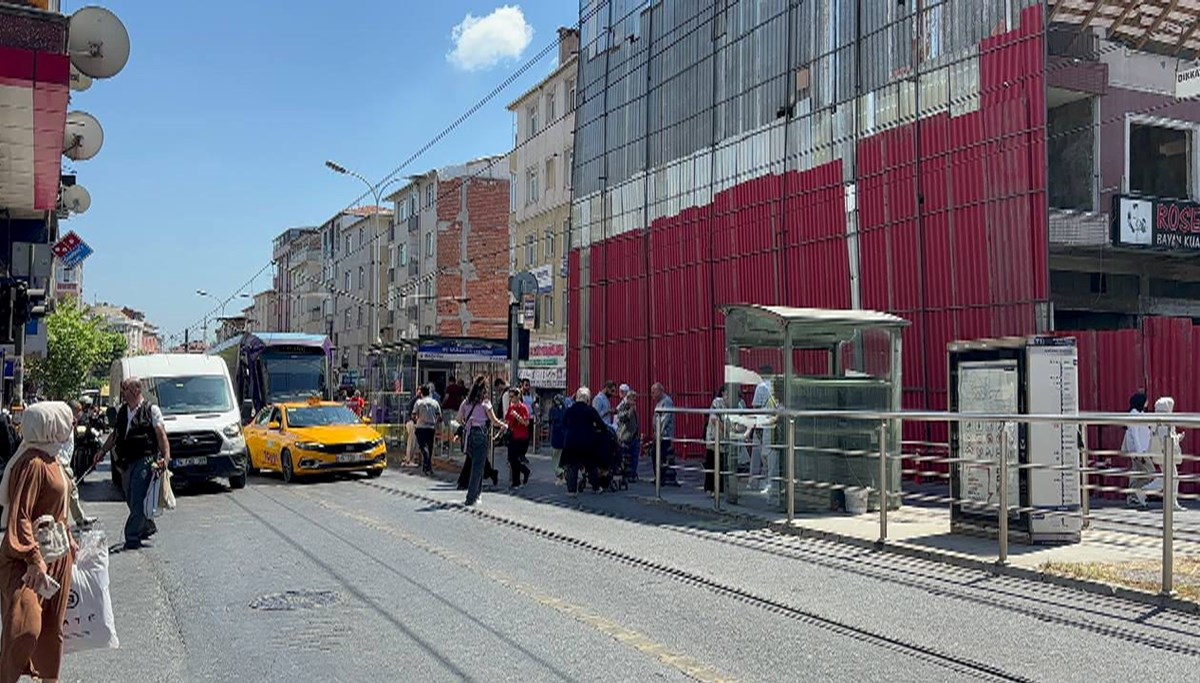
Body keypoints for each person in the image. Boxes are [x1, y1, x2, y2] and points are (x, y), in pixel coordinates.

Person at [0, 401, 76, 683]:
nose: (69, 427)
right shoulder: (33, 462)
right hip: (29, 562)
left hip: (57, 555)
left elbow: (59, 508)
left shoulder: (52, 457)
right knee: (24, 629)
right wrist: (34, 559)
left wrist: (69, 537)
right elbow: (20, 515)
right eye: (64, 421)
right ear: (49, 425)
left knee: (51, 630)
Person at [95, 377, 171, 550]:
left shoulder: (151, 410)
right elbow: (115, 435)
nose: (123, 394)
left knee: (137, 498)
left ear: (136, 391)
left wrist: (165, 459)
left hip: (145, 460)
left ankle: (131, 537)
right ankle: (146, 525)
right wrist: (102, 452)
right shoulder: (123, 411)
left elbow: (162, 436)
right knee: (130, 497)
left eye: (126, 390)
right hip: (126, 462)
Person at [457, 377, 507, 506]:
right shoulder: (485, 403)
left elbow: (458, 419)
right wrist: (504, 425)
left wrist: (467, 424)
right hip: (481, 435)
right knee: (477, 468)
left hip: (469, 436)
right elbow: (494, 421)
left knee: (476, 464)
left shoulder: (465, 402)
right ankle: (470, 497)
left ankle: (478, 494)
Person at [561, 387, 609, 497]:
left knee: (572, 466)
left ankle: (572, 491)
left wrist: (567, 435)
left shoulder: (569, 410)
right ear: (587, 399)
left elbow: (563, 425)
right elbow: (601, 425)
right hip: (587, 443)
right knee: (591, 466)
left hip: (571, 442)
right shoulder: (590, 410)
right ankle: (596, 487)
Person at [60, 401, 95, 528]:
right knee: (71, 491)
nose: (79, 414)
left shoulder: (74, 422)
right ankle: (79, 519)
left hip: (65, 461)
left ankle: (79, 518)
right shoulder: (64, 423)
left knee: (71, 491)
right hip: (61, 462)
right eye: (77, 411)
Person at [1148, 396, 1186, 512]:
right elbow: (1168, 439)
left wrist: (1177, 437)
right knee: (1172, 478)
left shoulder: (1156, 420)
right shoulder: (1165, 421)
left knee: (1170, 477)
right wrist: (1179, 438)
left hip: (1160, 454)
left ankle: (1171, 502)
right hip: (1165, 454)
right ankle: (1144, 490)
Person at [1121, 392, 1154, 509]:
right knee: (1150, 473)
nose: (1147, 402)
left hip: (1141, 450)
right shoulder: (1134, 415)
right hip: (1139, 452)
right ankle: (1134, 492)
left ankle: (1133, 497)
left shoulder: (1141, 414)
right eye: (1146, 400)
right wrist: (1139, 453)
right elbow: (1135, 435)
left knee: (1136, 474)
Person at [751, 367, 779, 496]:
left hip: (763, 426)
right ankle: (769, 483)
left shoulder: (760, 387)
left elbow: (756, 408)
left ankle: (754, 482)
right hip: (774, 429)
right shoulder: (776, 387)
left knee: (758, 457)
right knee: (772, 458)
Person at [651, 383, 680, 486]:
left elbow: (665, 419)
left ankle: (661, 477)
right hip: (659, 434)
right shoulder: (659, 402)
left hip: (664, 435)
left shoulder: (666, 401)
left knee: (660, 455)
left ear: (659, 391)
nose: (652, 394)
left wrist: (659, 433)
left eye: (654, 392)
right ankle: (658, 476)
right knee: (655, 454)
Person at [411, 385, 442, 476]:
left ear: (422, 393)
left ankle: (427, 463)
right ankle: (428, 467)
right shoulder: (435, 402)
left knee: (423, 447)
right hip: (431, 428)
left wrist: (416, 421)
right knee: (430, 447)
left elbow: (413, 415)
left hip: (421, 427)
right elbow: (439, 416)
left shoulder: (419, 402)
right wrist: (435, 422)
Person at [504, 388, 532, 489]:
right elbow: (507, 421)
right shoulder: (510, 408)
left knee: (515, 458)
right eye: (510, 397)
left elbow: (526, 422)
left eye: (512, 396)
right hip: (512, 436)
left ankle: (523, 473)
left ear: (518, 396)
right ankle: (516, 481)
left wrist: (517, 416)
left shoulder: (523, 408)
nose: (511, 398)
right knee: (511, 459)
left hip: (521, 437)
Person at [615, 384, 641, 481]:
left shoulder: (632, 407)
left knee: (634, 456)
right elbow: (622, 418)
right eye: (633, 400)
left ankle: (633, 473)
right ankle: (626, 474)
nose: (634, 402)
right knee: (625, 456)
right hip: (625, 436)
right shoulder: (623, 406)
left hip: (634, 435)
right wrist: (630, 410)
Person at [548, 395, 569, 484]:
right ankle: (563, 476)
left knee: (555, 459)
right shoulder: (566, 410)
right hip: (564, 437)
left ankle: (560, 474)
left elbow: (551, 421)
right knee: (562, 458)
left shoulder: (553, 410)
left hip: (556, 437)